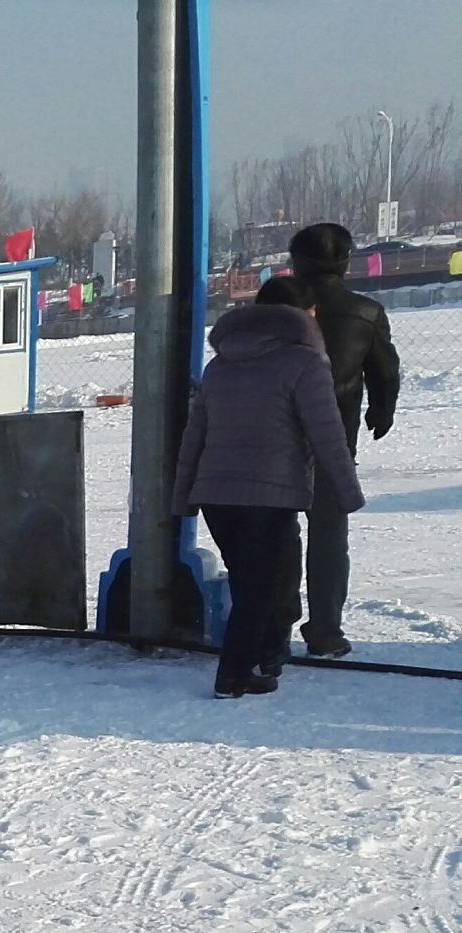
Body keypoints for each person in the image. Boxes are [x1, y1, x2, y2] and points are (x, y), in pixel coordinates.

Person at [173, 276, 363, 698]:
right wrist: (347, 493)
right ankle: (233, 675)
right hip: (270, 493)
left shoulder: (220, 364)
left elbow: (195, 435)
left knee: (248, 582)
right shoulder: (305, 363)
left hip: (216, 496)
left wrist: (184, 493)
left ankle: (253, 661)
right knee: (260, 588)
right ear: (305, 315)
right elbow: (327, 433)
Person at [286, 223, 401, 656]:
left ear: (295, 264)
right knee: (329, 535)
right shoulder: (366, 312)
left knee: (274, 533)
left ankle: (273, 620)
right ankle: (326, 630)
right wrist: (381, 410)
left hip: (274, 439)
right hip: (334, 439)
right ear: (346, 263)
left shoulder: (281, 310)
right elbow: (384, 372)